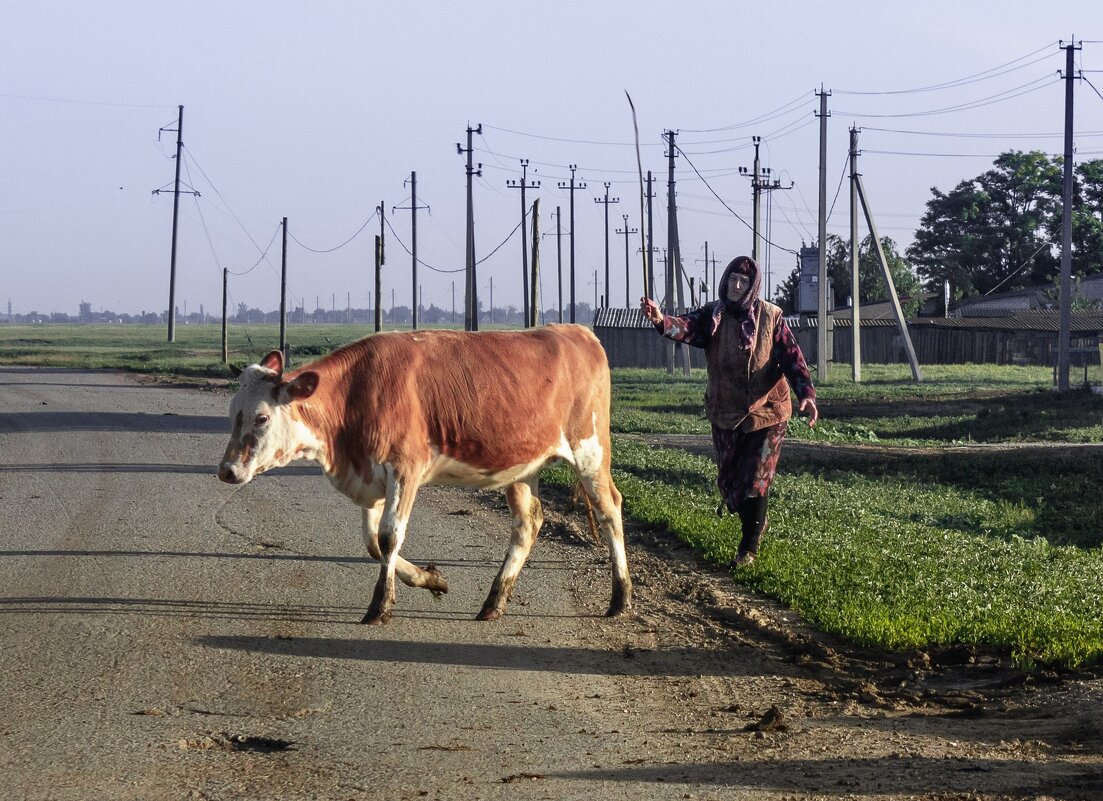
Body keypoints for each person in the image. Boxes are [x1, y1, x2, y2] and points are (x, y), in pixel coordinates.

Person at [640, 255, 818, 566]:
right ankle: (754, 524)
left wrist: (806, 393)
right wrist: (660, 320)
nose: (736, 286)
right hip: (726, 411)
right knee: (732, 482)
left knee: (756, 479)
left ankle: (748, 548)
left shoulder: (771, 316)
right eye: (732, 279)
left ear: (753, 286)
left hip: (768, 410)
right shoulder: (713, 315)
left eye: (743, 282)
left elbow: (792, 356)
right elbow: (687, 327)